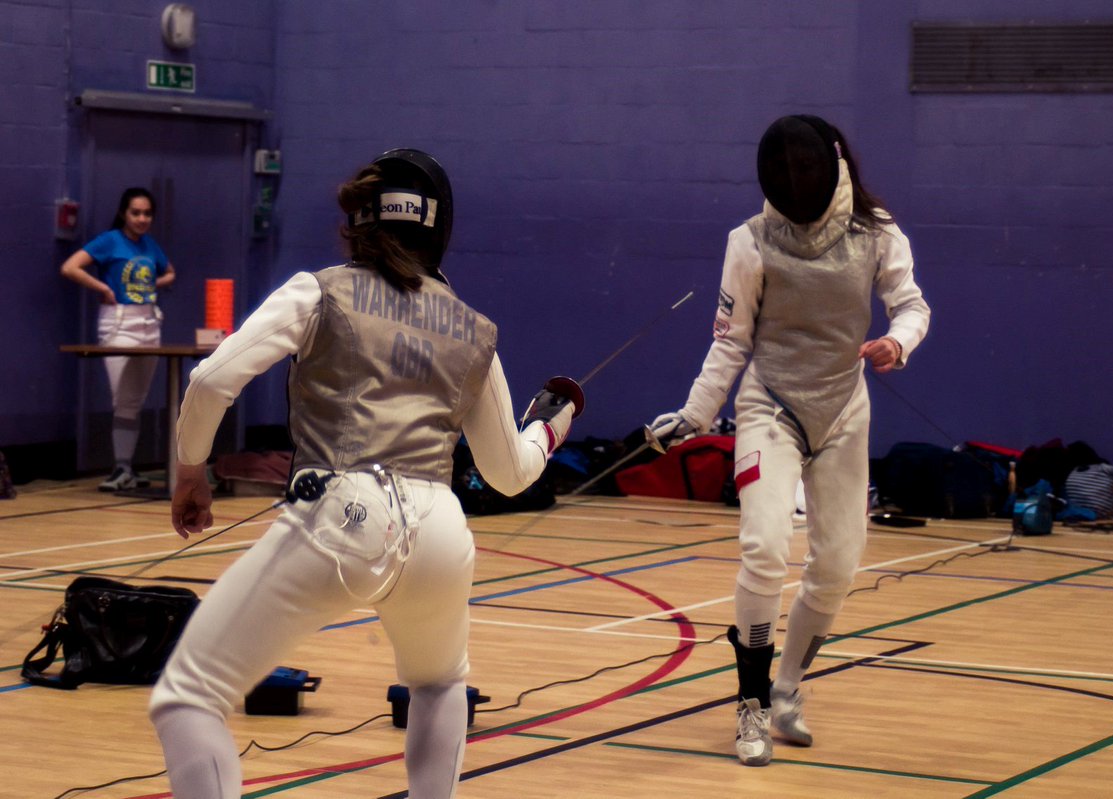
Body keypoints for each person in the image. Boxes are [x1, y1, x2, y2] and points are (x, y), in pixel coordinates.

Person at [148, 148, 583, 799]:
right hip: (440, 528)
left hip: (340, 514)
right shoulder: (471, 327)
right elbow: (510, 472)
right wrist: (551, 423)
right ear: (439, 227)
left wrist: (191, 472)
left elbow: (210, 379)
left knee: (187, 695)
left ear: (361, 221)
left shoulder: (320, 289)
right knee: (438, 683)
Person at [647, 115, 931, 766]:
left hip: (842, 414)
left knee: (835, 567)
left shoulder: (875, 233)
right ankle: (750, 702)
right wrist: (693, 416)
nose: (797, 182)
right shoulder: (749, 241)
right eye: (786, 173)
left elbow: (912, 305)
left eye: (806, 170)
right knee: (765, 545)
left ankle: (787, 688)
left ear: (831, 165)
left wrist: (898, 341)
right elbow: (732, 341)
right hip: (769, 408)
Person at [60, 187, 177, 491]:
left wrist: (154, 282)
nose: (141, 218)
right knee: (122, 396)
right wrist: (103, 289)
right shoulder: (109, 240)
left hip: (149, 321)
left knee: (135, 400)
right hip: (119, 322)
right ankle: (120, 468)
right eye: (135, 212)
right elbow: (70, 266)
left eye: (147, 213)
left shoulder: (150, 245)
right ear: (124, 213)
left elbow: (170, 274)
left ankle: (126, 468)